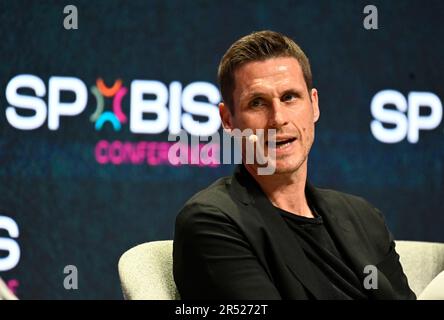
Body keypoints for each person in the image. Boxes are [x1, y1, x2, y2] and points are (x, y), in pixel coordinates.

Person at [173, 30, 415, 300]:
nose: (278, 119)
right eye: (257, 103)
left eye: (289, 97)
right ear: (228, 119)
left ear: (314, 104)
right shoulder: (212, 222)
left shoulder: (363, 217)